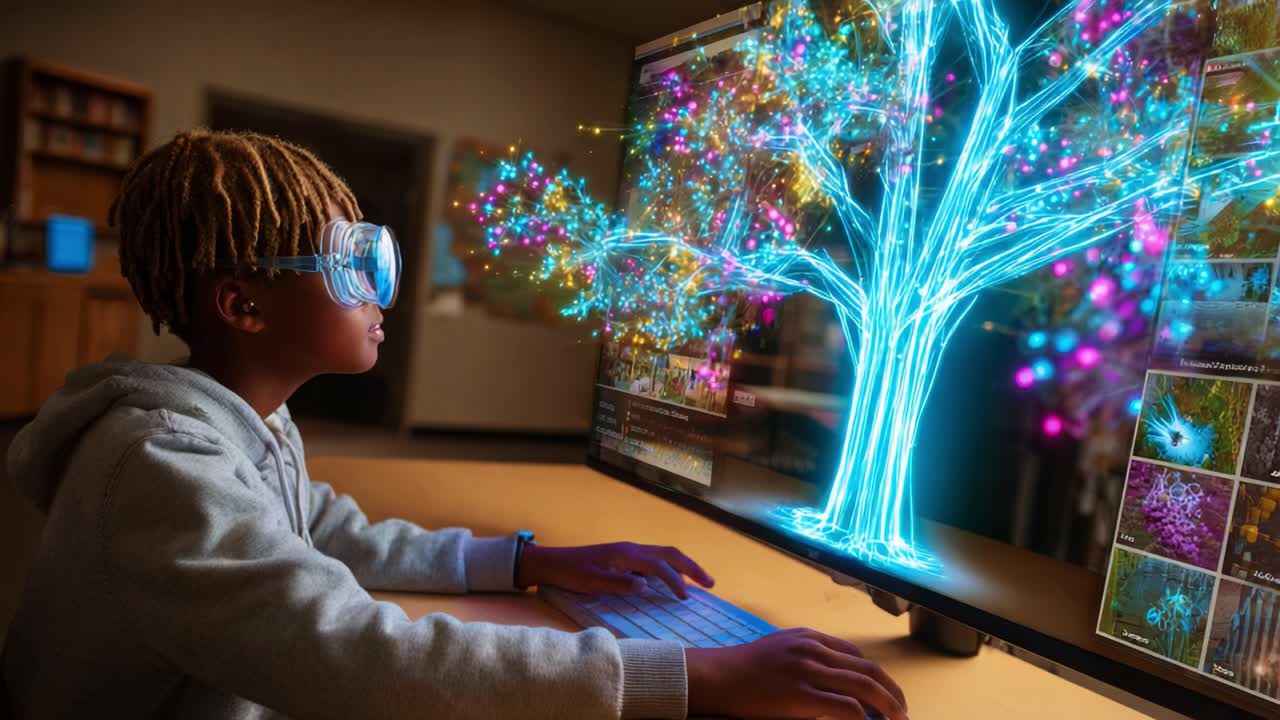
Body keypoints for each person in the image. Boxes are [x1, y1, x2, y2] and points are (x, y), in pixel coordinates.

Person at [2, 129, 909, 720]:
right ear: (243, 303)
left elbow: (319, 530)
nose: (376, 288)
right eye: (346, 260)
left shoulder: (246, 425)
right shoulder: (161, 464)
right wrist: (691, 677)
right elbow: (356, 658)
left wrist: (523, 561)